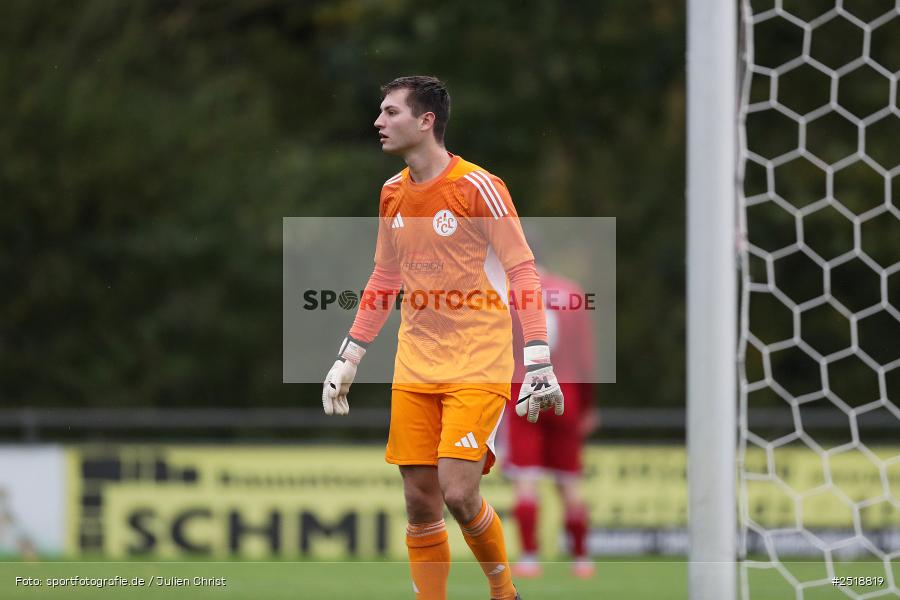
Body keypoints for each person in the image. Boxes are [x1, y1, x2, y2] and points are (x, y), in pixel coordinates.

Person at [321, 76, 565, 600]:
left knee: (458, 493)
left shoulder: (478, 187)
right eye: (380, 113)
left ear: (425, 120)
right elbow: (385, 279)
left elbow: (523, 269)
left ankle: (504, 592)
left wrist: (538, 356)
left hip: (478, 362)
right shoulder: (391, 193)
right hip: (415, 366)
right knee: (419, 501)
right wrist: (351, 355)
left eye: (390, 112)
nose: (378, 122)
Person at [504, 268, 599, 579]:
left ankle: (530, 558)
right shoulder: (571, 292)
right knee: (569, 482)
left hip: (523, 390)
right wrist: (587, 406)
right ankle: (582, 559)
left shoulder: (508, 294)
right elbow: (586, 358)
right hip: (565, 392)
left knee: (525, 480)